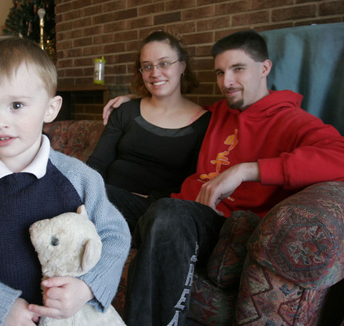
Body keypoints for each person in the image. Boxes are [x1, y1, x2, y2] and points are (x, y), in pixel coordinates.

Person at [106, 29, 344, 326]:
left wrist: (246, 170)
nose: (226, 82)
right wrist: (135, 102)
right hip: (172, 210)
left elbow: (340, 156)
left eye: (238, 69)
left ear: (265, 68)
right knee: (92, 192)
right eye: (220, 72)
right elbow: (175, 109)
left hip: (216, 222)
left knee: (167, 213)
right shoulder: (219, 112)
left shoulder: (292, 121)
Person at [0, 36, 131, 326]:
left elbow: (115, 236)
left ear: (51, 108)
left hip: (68, 318)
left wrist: (88, 286)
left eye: (16, 105)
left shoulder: (79, 177)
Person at [87, 30, 211, 232]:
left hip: (153, 212)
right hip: (104, 199)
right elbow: (97, 163)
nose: (154, 73)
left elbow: (192, 183)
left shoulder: (203, 123)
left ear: (182, 66)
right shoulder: (126, 111)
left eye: (164, 63)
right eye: (147, 66)